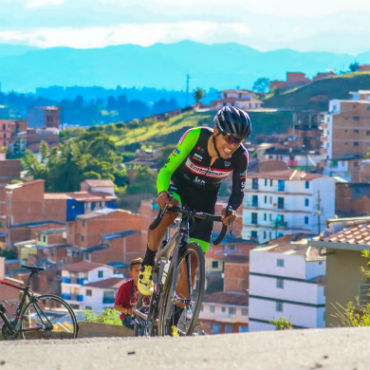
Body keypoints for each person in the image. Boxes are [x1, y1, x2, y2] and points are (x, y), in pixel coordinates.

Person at [138, 106, 251, 324]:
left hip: (206, 198)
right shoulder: (195, 136)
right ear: (216, 131)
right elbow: (166, 170)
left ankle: (173, 322)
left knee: (192, 264)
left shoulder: (240, 157)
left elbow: (238, 192)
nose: (232, 145)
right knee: (170, 212)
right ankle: (148, 264)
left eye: (238, 140)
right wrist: (162, 192)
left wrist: (231, 210)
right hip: (178, 186)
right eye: (228, 138)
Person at [114, 257, 150, 332]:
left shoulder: (150, 286)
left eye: (141, 270)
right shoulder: (125, 287)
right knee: (140, 326)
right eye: (137, 271)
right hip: (130, 317)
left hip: (146, 316)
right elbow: (117, 306)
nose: (140, 273)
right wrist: (127, 310)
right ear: (131, 273)